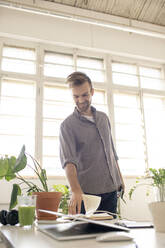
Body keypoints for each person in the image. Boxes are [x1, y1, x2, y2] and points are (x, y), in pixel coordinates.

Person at [59, 71, 125, 216]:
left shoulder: (103, 118)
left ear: (92, 92)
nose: (81, 100)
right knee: (86, 237)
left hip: (111, 190)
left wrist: (119, 178)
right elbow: (68, 162)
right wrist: (76, 191)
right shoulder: (67, 125)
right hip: (87, 195)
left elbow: (111, 151)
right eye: (76, 96)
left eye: (84, 95)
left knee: (109, 234)